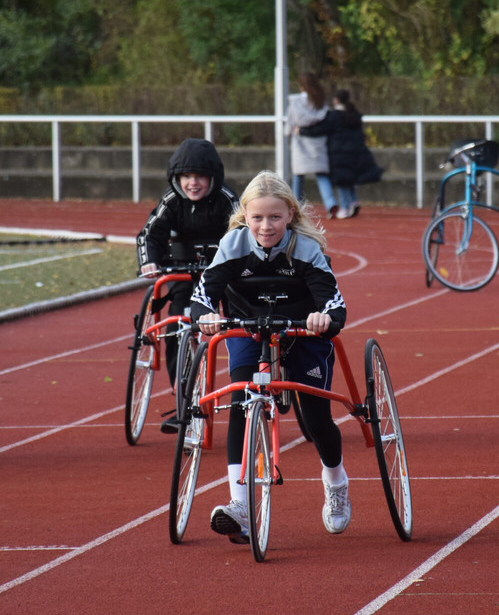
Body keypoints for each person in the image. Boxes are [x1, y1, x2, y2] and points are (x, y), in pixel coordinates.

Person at [189, 170, 350, 543]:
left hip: (301, 331)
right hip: (249, 329)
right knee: (241, 397)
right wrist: (207, 316)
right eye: (257, 217)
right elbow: (199, 297)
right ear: (244, 216)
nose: (265, 226)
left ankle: (336, 481)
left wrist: (324, 318)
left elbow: (335, 304)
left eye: (275, 217)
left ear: (290, 214)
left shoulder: (306, 248)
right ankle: (240, 504)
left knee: (315, 413)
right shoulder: (232, 246)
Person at [135, 138, 238, 432]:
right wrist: (149, 263)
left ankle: (249, 392)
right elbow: (149, 236)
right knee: (176, 330)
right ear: (177, 179)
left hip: (226, 276)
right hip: (184, 274)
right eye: (186, 177)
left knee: (239, 328)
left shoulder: (228, 200)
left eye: (200, 177)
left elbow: (245, 234)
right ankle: (185, 404)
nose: (193, 183)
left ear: (212, 178)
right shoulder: (172, 200)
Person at [297, 89, 383, 218]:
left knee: (342, 180)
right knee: (349, 179)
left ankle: (344, 207)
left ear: (336, 100)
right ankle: (353, 202)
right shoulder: (355, 115)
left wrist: (302, 131)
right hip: (355, 151)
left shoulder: (334, 116)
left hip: (338, 153)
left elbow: (320, 129)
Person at [286, 71, 338, 216]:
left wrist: (288, 131)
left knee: (298, 175)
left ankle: (295, 206)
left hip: (301, 141)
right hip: (318, 142)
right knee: (321, 174)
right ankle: (330, 203)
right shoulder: (320, 100)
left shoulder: (296, 101)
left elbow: (291, 120)